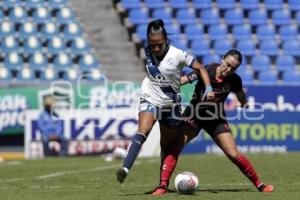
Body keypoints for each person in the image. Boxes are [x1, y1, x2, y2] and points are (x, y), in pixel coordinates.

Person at [153, 49, 274, 195]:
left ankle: (260, 186)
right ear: (223, 59)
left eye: (233, 68)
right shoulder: (207, 71)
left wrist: (243, 103)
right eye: (227, 64)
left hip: (215, 119)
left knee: (234, 154)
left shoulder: (235, 80)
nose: (228, 69)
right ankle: (162, 186)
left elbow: (241, 95)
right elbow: (184, 80)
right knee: (176, 146)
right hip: (194, 115)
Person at [116, 19, 215, 186]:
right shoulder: (146, 50)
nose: (155, 48)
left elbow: (201, 68)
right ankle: (125, 168)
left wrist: (208, 88)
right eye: (152, 44)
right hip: (150, 98)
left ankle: (163, 184)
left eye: (159, 45)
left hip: (171, 105)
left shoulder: (178, 55)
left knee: (166, 145)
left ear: (166, 40)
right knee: (143, 131)